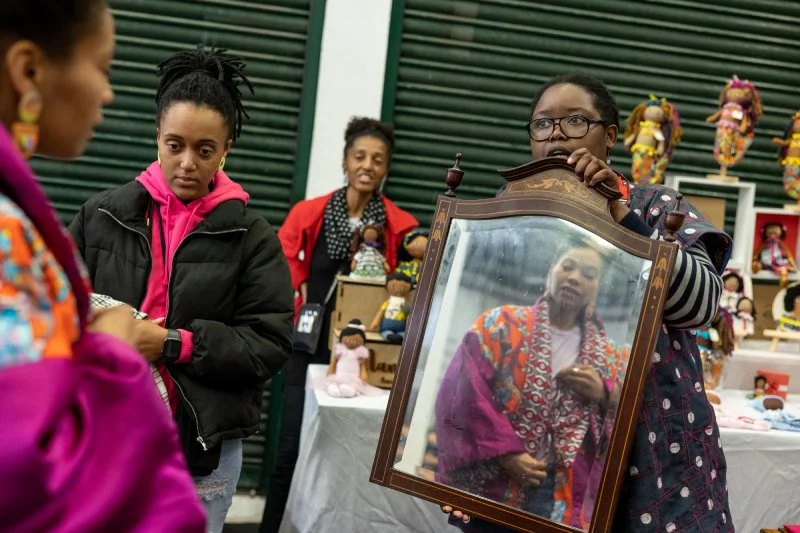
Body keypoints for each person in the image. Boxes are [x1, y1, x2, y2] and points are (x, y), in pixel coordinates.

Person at [443, 73, 733, 532]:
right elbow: (466, 330)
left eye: (575, 121)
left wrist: (623, 216)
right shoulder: (506, 214)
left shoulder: (656, 206)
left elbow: (700, 306)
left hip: (650, 456)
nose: (556, 134)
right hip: (523, 467)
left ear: (610, 136)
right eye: (542, 124)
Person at [68, 46, 294, 533]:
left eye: (204, 150)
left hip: (199, 451)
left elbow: (270, 342)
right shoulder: (100, 217)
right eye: (175, 145)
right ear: (157, 138)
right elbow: (57, 313)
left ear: (226, 149)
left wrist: (172, 343)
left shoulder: (251, 237)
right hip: (105, 438)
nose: (187, 163)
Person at [0, 1, 205, 531]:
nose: (109, 93)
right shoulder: (17, 230)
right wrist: (113, 352)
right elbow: (27, 460)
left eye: (204, 150)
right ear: (29, 70)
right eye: (103, 66)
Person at [261, 117, 418, 532]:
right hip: (310, 344)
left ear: (386, 169)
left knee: (350, 457)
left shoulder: (398, 224)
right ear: (345, 162)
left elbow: (419, 261)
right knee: (289, 452)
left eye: (378, 160)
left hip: (365, 352)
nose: (368, 165)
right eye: (360, 156)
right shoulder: (309, 213)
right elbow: (279, 272)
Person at [436, 242, 627, 528]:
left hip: (564, 491)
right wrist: (506, 453)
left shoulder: (610, 355)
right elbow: (463, 392)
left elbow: (631, 422)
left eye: (588, 274)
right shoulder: (498, 325)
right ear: (551, 270)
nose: (574, 278)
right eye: (568, 266)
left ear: (598, 287)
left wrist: (604, 394)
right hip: (497, 481)